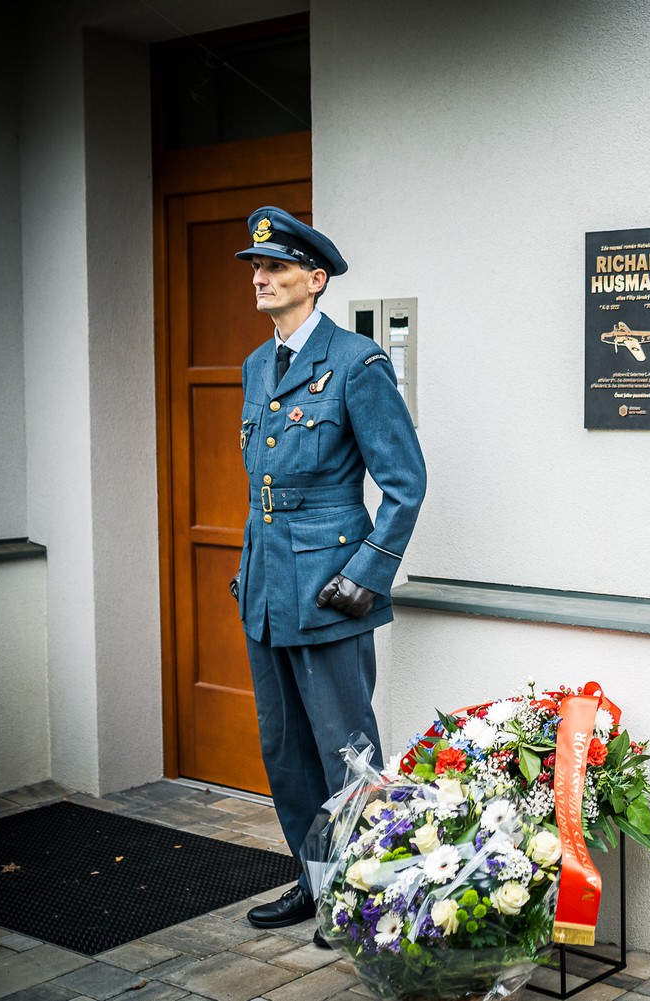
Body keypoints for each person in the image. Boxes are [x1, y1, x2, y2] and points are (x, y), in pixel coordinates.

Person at [229, 207, 426, 937]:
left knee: (347, 749)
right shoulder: (257, 365)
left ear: (315, 280)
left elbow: (405, 482)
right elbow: (264, 482)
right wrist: (250, 572)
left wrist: (367, 575)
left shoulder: (356, 362)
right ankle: (315, 883)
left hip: (330, 588)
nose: (261, 278)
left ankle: (362, 893)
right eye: (256, 268)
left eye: (276, 268)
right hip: (267, 589)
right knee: (284, 749)